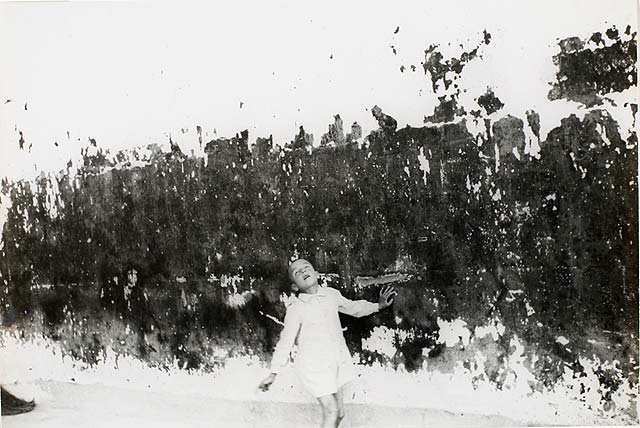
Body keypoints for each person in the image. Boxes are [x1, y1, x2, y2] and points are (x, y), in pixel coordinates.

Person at [258, 258, 396, 428]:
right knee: (331, 412)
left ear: (316, 274)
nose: (303, 272)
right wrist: (273, 373)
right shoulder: (296, 309)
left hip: (334, 362)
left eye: (306, 268)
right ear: (294, 286)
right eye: (297, 273)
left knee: (339, 413)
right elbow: (285, 342)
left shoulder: (331, 295)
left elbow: (353, 308)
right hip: (313, 367)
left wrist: (378, 306)